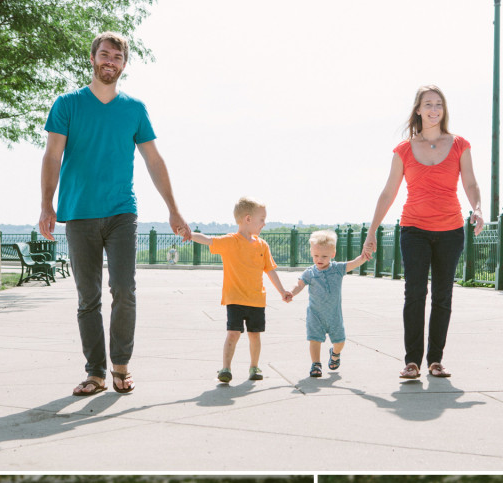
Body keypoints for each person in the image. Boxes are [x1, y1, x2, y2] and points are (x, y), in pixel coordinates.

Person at [39, 31, 190, 396]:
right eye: (104, 54)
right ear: (92, 59)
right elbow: (52, 156)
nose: (110, 61)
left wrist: (173, 209)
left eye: (117, 57)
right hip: (78, 214)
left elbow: (154, 159)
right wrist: (47, 204)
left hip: (122, 212)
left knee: (124, 289)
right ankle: (96, 373)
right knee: (87, 297)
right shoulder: (67, 104)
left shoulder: (134, 109)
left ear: (124, 64)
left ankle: (120, 365)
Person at [363, 84, 485, 380]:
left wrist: (478, 208)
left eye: (439, 105)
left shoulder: (459, 145)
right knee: (415, 293)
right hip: (414, 229)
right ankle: (412, 362)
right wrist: (372, 230)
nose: (434, 110)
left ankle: (436, 361)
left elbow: (470, 183)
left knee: (443, 295)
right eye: (428, 104)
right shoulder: (404, 150)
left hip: (451, 229)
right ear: (418, 110)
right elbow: (388, 192)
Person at [188, 197, 292, 384]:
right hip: (235, 299)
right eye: (261, 219)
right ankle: (226, 368)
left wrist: (282, 291)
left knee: (254, 335)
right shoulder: (230, 241)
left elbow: (270, 270)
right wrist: (189, 234)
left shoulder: (262, 245)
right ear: (248, 219)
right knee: (233, 334)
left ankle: (254, 367)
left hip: (256, 300)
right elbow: (209, 240)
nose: (264, 223)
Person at [289, 230, 372, 378]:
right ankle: (316, 364)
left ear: (333, 254)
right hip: (315, 315)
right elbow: (299, 285)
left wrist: (364, 255)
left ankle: (335, 353)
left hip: (334, 315)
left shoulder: (338, 269)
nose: (319, 259)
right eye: (316, 256)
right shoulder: (310, 272)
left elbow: (355, 262)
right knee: (314, 339)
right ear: (311, 253)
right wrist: (291, 293)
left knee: (340, 341)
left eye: (324, 256)